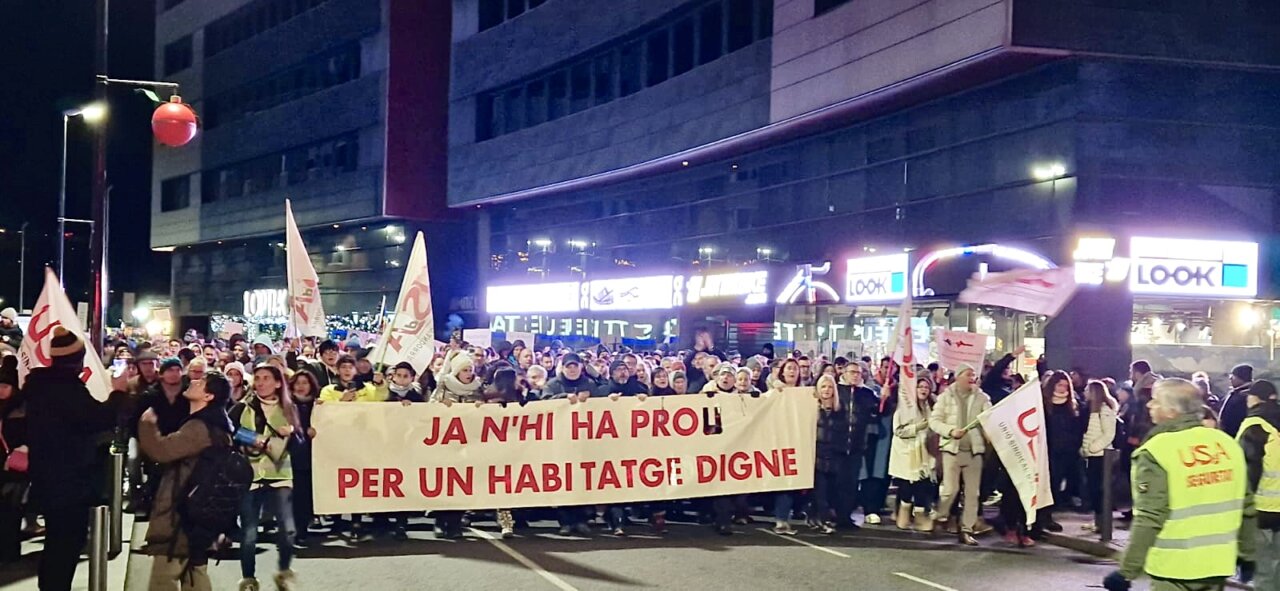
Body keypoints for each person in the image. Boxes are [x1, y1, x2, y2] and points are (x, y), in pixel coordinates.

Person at [1104, 378, 1256, 591]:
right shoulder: (1226, 444)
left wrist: (1126, 571)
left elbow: (1150, 517)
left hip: (1174, 568)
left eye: (1156, 400)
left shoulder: (1158, 450)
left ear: (1171, 411)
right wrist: (1248, 554)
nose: (1150, 405)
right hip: (1217, 565)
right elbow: (1246, 507)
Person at [26, 327, 128, 590]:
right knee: (65, 544)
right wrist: (118, 392)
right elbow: (96, 418)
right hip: (68, 482)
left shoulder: (40, 387)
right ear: (77, 359)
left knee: (56, 543)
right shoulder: (66, 390)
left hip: (48, 479)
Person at [137, 370, 236, 591]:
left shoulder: (199, 428)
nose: (194, 381)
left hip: (181, 515)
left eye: (202, 382)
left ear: (209, 396)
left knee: (164, 579)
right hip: (199, 513)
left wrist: (146, 425)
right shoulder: (216, 425)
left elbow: (161, 450)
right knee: (195, 574)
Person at [233, 365, 302, 591]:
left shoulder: (289, 408)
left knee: (288, 530)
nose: (261, 382)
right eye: (258, 378)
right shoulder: (244, 406)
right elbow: (228, 429)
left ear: (278, 383)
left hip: (280, 474)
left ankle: (283, 571)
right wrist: (253, 439)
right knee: (249, 532)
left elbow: (301, 443)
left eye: (266, 378)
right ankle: (248, 579)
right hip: (250, 474)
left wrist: (291, 433)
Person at [929, 362, 991, 546]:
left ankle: (966, 529)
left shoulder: (982, 397)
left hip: (974, 452)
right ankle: (940, 515)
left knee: (973, 494)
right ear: (958, 376)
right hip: (952, 450)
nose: (972, 378)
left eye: (974, 375)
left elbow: (989, 418)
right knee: (950, 490)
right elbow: (934, 421)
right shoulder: (945, 397)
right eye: (968, 375)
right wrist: (950, 431)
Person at [1238, 380, 1280, 589]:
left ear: (1256, 398)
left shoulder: (1256, 425)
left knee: (1263, 568)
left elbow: (1248, 469)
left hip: (1262, 508)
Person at [890, 375, 939, 533]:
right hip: (907, 452)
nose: (924, 390)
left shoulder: (931, 406)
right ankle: (903, 515)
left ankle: (919, 516)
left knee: (922, 484)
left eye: (926, 387)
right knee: (906, 483)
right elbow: (898, 430)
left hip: (925, 452)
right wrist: (917, 428)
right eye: (920, 386)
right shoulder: (904, 407)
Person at [1041, 370, 1082, 533]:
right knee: (1046, 484)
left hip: (1066, 451)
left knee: (1056, 485)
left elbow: (1077, 427)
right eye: (1059, 385)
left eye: (1065, 385)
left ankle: (1048, 516)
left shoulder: (1073, 404)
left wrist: (1074, 444)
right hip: (1047, 449)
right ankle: (1041, 517)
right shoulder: (1044, 403)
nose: (1062, 388)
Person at [812, 375, 851, 535]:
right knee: (820, 491)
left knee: (831, 490)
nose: (826, 390)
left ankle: (817, 516)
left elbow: (844, 433)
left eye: (829, 387)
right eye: (823, 386)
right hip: (817, 456)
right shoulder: (812, 409)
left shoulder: (840, 410)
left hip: (834, 456)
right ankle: (823, 520)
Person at [288, 370, 320, 548]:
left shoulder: (318, 406)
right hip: (293, 455)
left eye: (305, 383)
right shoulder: (286, 405)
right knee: (295, 495)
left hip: (313, 456)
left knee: (306, 494)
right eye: (297, 383)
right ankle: (296, 529)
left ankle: (304, 525)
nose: (301, 386)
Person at [1080, 380, 1118, 533]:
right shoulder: (1091, 410)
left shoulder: (1104, 410)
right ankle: (1098, 522)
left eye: (1087, 390)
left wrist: (1093, 447)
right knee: (1094, 489)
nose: (1085, 393)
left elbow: (1109, 433)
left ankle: (1103, 524)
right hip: (1092, 455)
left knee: (1099, 490)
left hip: (1101, 456)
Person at [0, 356, 27, 563]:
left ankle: (10, 551)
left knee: (11, 509)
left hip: (15, 467)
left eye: (5, 386)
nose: (1, 390)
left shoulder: (20, 410)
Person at [1221, 364, 1255, 438]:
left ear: (1241, 378)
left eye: (1232, 376)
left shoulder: (1246, 395)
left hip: (1236, 435)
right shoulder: (1236, 393)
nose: (1230, 379)